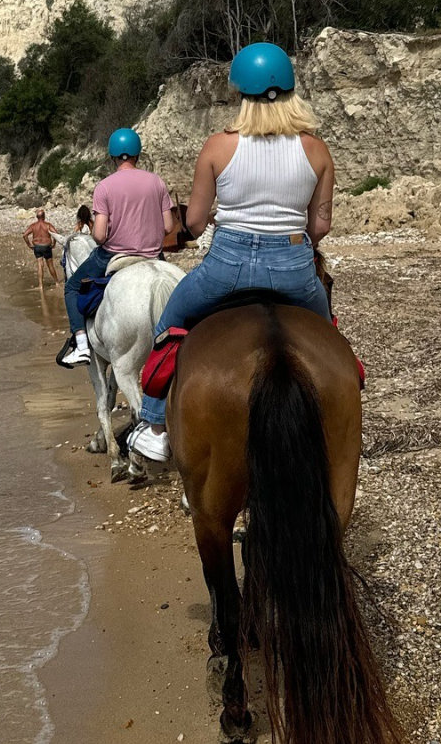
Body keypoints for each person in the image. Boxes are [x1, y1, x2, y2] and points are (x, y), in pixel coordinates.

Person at [125, 42, 334, 460]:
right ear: (291, 92)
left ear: (240, 94)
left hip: (228, 266)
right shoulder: (316, 149)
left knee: (170, 320)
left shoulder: (219, 146)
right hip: (294, 267)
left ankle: (153, 424)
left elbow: (197, 222)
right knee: (330, 340)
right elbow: (321, 225)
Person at [58, 129, 175, 367]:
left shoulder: (104, 186)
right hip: (154, 255)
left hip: (114, 253)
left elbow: (100, 236)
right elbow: (168, 226)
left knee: (71, 287)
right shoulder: (157, 182)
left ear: (112, 156)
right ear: (137, 154)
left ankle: (81, 345)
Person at [23, 208, 61, 287]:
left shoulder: (33, 226)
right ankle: (57, 282)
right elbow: (56, 234)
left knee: (40, 265)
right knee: (50, 265)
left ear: (37, 217)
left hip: (37, 247)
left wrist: (29, 245)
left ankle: (40, 285)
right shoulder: (48, 225)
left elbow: (25, 235)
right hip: (46, 246)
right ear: (44, 216)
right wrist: (53, 244)